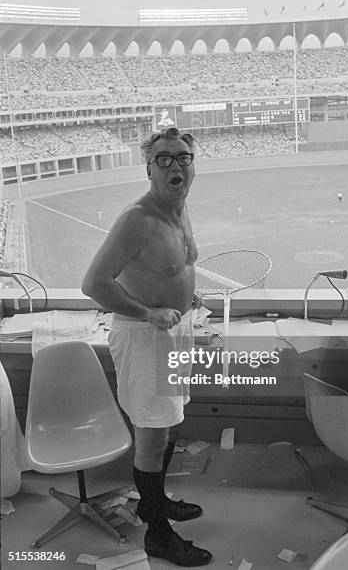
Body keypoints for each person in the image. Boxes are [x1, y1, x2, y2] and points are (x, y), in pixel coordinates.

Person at [82, 127, 212, 567]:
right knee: (152, 438)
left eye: (183, 157)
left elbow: (169, 269)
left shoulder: (180, 208)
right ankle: (158, 533)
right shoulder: (137, 219)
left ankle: (151, 501)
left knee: (171, 423)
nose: (176, 165)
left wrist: (185, 299)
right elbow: (93, 284)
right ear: (149, 167)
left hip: (176, 331)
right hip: (145, 338)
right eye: (164, 159)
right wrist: (147, 313)